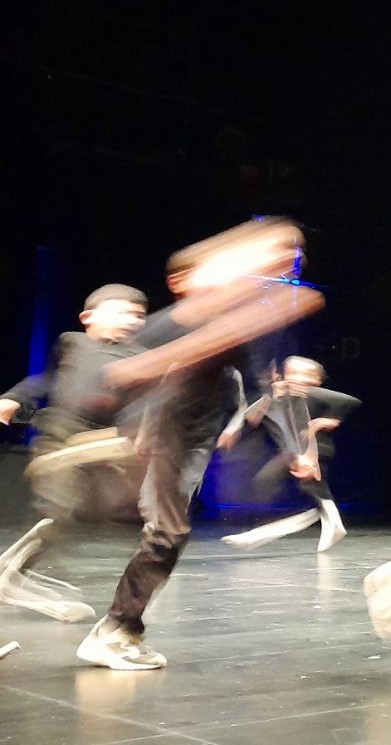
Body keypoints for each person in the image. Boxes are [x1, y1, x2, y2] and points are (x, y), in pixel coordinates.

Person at [77, 217, 322, 670]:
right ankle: (114, 629)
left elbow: (258, 386)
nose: (283, 265)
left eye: (288, 258)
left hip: (188, 441)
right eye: (275, 256)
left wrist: (296, 447)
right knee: (144, 530)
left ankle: (118, 628)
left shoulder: (239, 319)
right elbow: (128, 374)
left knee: (167, 536)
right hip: (154, 436)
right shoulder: (184, 318)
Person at [0, 284, 148, 622]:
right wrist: (13, 398)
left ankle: (16, 573)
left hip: (104, 445)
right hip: (62, 437)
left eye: (138, 316)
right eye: (121, 312)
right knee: (59, 508)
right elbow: (46, 379)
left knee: (91, 510)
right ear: (88, 317)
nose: (131, 321)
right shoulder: (73, 343)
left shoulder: (139, 357)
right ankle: (12, 574)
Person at [218, 356, 360, 552]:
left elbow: (348, 401)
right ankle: (323, 518)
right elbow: (262, 415)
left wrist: (331, 419)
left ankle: (259, 535)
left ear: (316, 380)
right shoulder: (281, 397)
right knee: (269, 482)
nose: (296, 378)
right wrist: (235, 428)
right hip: (293, 454)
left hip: (314, 453)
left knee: (315, 494)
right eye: (292, 373)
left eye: (303, 374)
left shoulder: (314, 394)